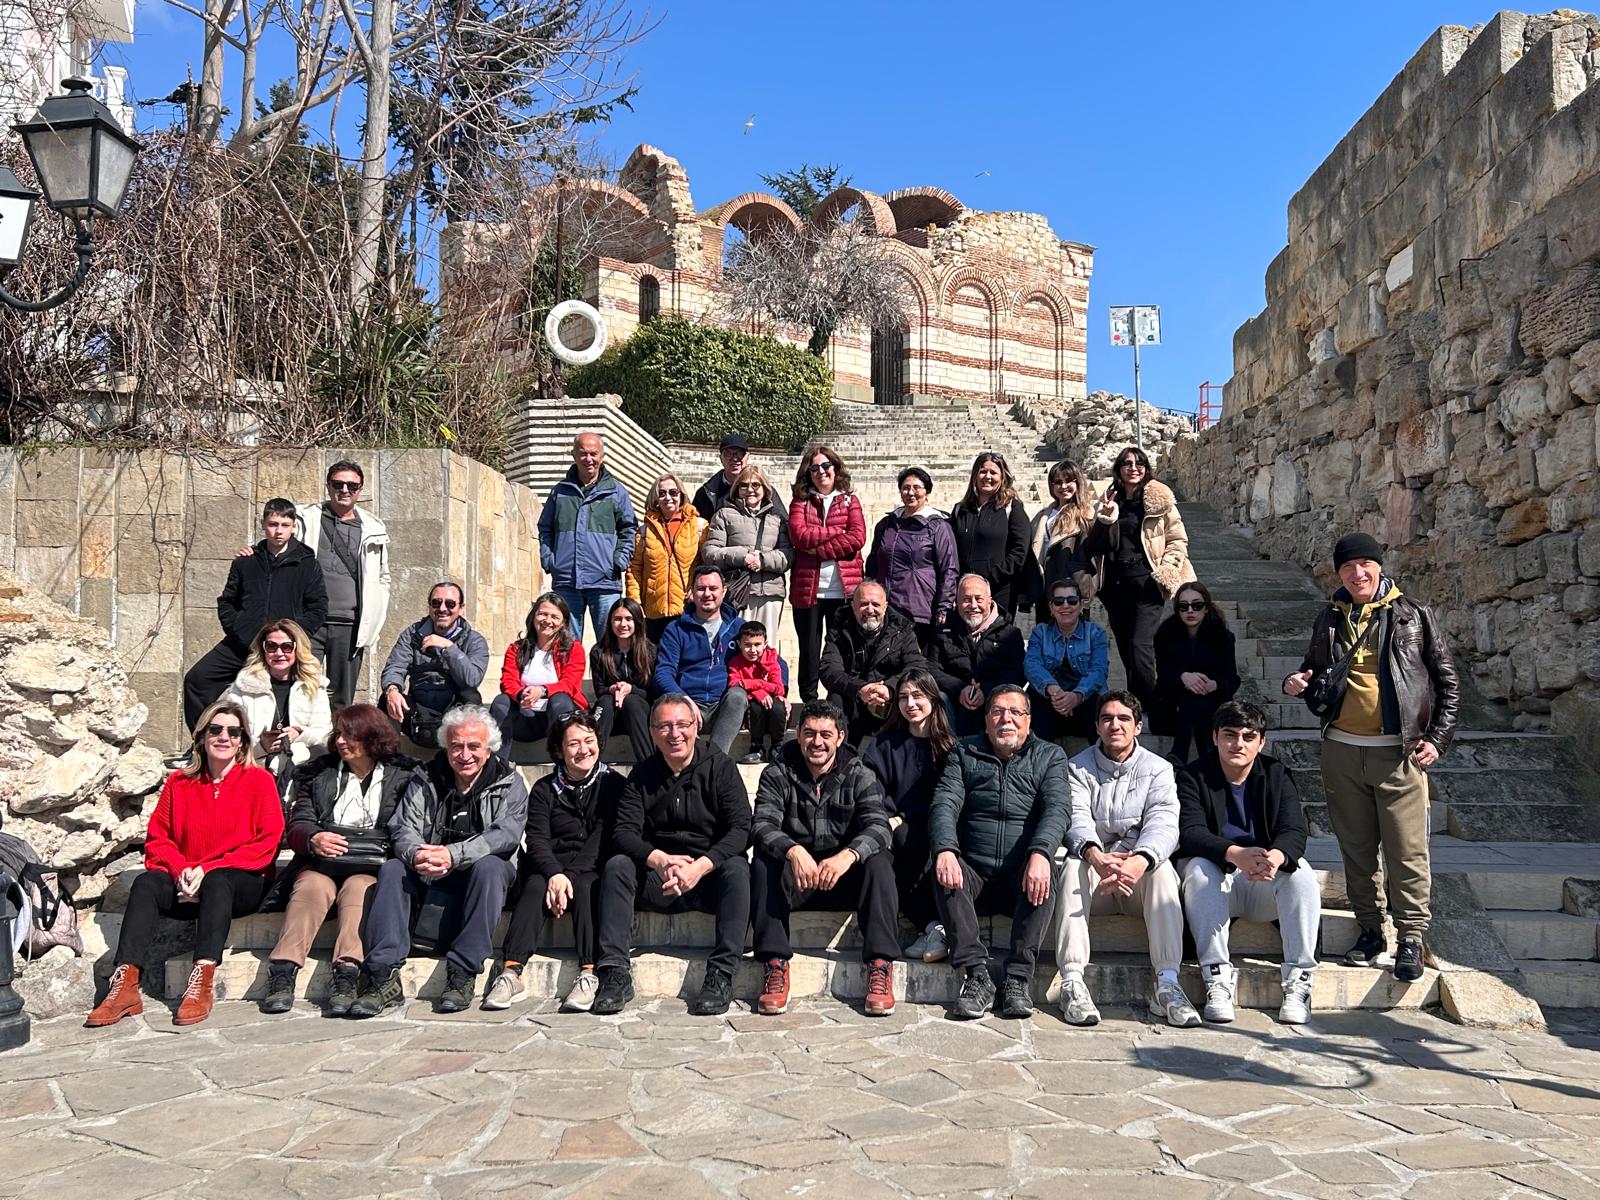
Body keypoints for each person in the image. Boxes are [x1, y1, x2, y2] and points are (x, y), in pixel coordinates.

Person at [1283, 532, 1458, 983]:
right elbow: (1314, 671)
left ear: (1379, 566)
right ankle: (1370, 930)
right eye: (1347, 567)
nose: (1357, 573)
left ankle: (1411, 937)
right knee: (1356, 849)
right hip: (1341, 750)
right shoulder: (1329, 616)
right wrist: (1297, 682)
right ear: (1338, 573)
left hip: (1398, 753)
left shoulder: (1413, 614)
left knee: (1406, 850)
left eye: (1365, 564)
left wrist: (1437, 738)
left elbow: (1446, 681)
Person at [87, 700, 284, 1028]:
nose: (224, 737)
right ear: (202, 737)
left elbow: (268, 843)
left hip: (241, 883)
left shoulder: (259, 781)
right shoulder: (179, 783)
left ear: (243, 742)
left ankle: (201, 980)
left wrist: (206, 871)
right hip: (188, 882)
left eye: (234, 732)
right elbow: (158, 840)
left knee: (219, 880)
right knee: (146, 883)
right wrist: (181, 872)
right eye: (215, 729)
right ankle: (125, 984)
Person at [350, 705, 527, 1017]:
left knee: (490, 867)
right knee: (393, 868)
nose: (465, 755)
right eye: (456, 746)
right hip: (429, 869)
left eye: (474, 746)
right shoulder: (426, 778)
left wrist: (452, 854)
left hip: (482, 876)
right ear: (446, 747)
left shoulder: (508, 781)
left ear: (489, 750)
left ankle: (462, 973)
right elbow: (403, 827)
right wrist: (417, 854)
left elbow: (505, 835)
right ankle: (383, 975)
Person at [593, 695, 752, 1017]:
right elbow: (624, 832)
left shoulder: (721, 767)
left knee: (737, 868)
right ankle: (615, 972)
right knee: (618, 865)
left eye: (682, 724)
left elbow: (741, 829)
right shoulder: (642, 774)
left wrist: (702, 866)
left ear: (696, 726)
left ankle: (721, 974)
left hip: (707, 879)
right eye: (664, 726)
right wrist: (660, 860)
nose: (674, 733)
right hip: (660, 880)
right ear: (652, 732)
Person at [257, 704, 417, 1016]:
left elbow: (407, 826)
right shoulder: (320, 773)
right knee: (311, 887)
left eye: (350, 735)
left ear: (371, 736)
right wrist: (314, 838)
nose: (341, 741)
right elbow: (299, 822)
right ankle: (283, 970)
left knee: (358, 888)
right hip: (323, 863)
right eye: (339, 734)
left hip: (371, 865)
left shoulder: (403, 776)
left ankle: (346, 973)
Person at [928, 685, 1070, 1020]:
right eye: (997, 712)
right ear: (986, 719)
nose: (1006, 719)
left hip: (1021, 874)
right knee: (944, 869)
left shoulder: (1050, 755)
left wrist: (1041, 852)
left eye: (1016, 712)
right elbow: (944, 804)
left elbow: (1058, 810)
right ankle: (976, 975)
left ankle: (1017, 978)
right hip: (974, 871)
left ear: (1029, 720)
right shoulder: (964, 752)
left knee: (1048, 871)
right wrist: (946, 849)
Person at [1057, 691, 1198, 1029]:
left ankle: (1167, 985)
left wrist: (1140, 860)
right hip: (1096, 876)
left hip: (1137, 879)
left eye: (1123, 719)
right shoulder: (1076, 767)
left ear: (1138, 727)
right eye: (1107, 719)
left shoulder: (1159, 769)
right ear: (1096, 726)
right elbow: (1075, 817)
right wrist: (1096, 856)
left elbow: (1165, 822)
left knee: (1163, 872)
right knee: (1072, 866)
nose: (1115, 725)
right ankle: (1072, 981)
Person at [751, 700, 898, 1017]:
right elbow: (761, 824)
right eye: (809, 733)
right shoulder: (777, 771)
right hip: (797, 880)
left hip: (843, 879)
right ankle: (775, 962)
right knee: (764, 860)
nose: (817, 742)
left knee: (879, 860)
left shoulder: (859, 773)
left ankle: (880, 964)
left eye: (825, 734)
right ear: (798, 734)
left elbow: (879, 826)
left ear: (840, 737)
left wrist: (849, 855)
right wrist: (792, 850)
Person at [1177, 701, 1318, 1025]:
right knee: (1198, 869)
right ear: (1215, 737)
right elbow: (1190, 832)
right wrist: (1234, 854)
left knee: (1301, 873)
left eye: (1248, 736)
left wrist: (1275, 858)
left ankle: (1299, 982)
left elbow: (1294, 830)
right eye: (1229, 735)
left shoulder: (1276, 774)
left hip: (1262, 880)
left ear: (1261, 741)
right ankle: (1216, 979)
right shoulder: (1193, 776)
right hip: (1219, 881)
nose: (1238, 744)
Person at [485, 711, 626, 1013]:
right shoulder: (544, 788)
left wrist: (568, 877)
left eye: (589, 741)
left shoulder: (613, 784)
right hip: (550, 868)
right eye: (573, 744)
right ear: (560, 750)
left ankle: (589, 972)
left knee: (587, 886)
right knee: (534, 886)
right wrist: (554, 874)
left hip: (590, 867)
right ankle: (511, 972)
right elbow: (536, 838)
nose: (583, 749)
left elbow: (602, 838)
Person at [183, 497, 328, 731]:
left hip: (283, 648)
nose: (278, 531)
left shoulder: (307, 563)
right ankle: (203, 742)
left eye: (284, 525)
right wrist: (239, 629)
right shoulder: (246, 561)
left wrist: (293, 637)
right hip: (243, 642)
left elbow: (318, 608)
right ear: (263, 524)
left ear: (293, 527)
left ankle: (283, 743)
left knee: (289, 694)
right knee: (197, 680)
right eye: (273, 524)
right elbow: (227, 601)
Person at [1086, 446, 1195, 711]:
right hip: (1114, 585)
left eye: (1139, 463)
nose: (1133, 468)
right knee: (1126, 648)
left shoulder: (1160, 499)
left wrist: (1167, 568)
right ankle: (1138, 706)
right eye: (1127, 463)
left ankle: (1152, 707)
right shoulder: (1109, 498)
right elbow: (1095, 545)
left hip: (1147, 582)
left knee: (1139, 646)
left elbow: (1177, 539)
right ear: (1118, 469)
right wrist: (1104, 517)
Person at [864, 668, 955, 963]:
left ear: (933, 699)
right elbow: (872, 790)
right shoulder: (884, 744)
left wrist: (907, 818)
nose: (910, 703)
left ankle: (935, 926)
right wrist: (892, 818)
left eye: (917, 695)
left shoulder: (950, 748)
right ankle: (933, 927)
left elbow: (950, 797)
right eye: (903, 697)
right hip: (893, 828)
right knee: (890, 846)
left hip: (933, 826)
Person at [295, 460, 391, 710]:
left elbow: (383, 575)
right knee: (301, 692)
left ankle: (338, 736)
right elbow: (278, 543)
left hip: (350, 625)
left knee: (341, 701)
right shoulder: (305, 518)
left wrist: (376, 614)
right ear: (328, 486)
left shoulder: (373, 527)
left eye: (352, 485)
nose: (345, 490)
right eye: (338, 484)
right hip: (310, 622)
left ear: (360, 489)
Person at [537, 431, 639, 642]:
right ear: (574, 455)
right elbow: (545, 528)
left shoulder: (616, 492)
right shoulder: (560, 492)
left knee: (610, 643)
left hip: (604, 581)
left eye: (594, 453)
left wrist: (618, 561)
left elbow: (629, 529)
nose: (588, 459)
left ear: (602, 456)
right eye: (583, 453)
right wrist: (549, 559)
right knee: (566, 644)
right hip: (566, 580)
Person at [788, 445, 866, 702]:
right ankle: (809, 700)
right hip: (808, 589)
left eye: (825, 466)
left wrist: (818, 550)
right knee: (809, 649)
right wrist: (837, 533)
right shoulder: (800, 502)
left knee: (840, 649)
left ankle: (838, 699)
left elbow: (857, 538)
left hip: (843, 590)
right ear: (808, 473)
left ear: (835, 468)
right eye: (814, 468)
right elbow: (799, 536)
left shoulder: (850, 501)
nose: (821, 471)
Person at [224, 619, 332, 795]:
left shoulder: (314, 685)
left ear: (297, 649)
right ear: (263, 649)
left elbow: (324, 734)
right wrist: (261, 746)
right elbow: (230, 733)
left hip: (302, 764)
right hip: (255, 765)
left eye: (287, 647)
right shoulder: (244, 685)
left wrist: (299, 733)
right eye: (271, 646)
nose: (279, 653)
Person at [379, 581, 490, 746]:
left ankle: (465, 754)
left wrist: (449, 648)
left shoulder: (474, 640)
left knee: (472, 698)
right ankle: (389, 756)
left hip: (454, 711)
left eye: (450, 604)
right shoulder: (412, 635)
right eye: (436, 603)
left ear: (461, 608)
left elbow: (472, 679)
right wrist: (392, 690)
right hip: (418, 709)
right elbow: (395, 666)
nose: (442, 608)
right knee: (387, 699)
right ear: (429, 607)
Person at [653, 564, 748, 754]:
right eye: (701, 588)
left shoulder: (739, 627)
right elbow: (663, 673)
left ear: (724, 591)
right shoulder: (676, 629)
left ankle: (714, 758)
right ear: (691, 592)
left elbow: (771, 659)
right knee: (666, 703)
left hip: (723, 706)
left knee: (738, 696)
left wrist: (781, 691)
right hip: (687, 704)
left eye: (713, 588)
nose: (707, 594)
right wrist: (683, 699)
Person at [819, 580, 926, 746]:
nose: (870, 610)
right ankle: (841, 754)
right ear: (853, 606)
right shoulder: (839, 627)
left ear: (885, 606)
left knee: (915, 695)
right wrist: (860, 689)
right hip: (854, 699)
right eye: (863, 604)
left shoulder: (902, 628)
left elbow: (917, 667)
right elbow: (828, 669)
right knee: (836, 697)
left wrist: (890, 688)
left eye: (875, 604)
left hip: (890, 704)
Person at [865, 466, 960, 649]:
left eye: (917, 487)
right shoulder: (886, 524)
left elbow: (949, 569)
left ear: (927, 491)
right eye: (906, 488)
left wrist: (944, 606)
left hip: (920, 609)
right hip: (887, 608)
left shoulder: (938, 526)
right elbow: (873, 564)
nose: (910, 493)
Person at [489, 593, 587, 761]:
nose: (547, 620)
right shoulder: (516, 649)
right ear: (533, 616)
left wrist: (542, 691)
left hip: (559, 717)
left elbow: (570, 684)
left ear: (563, 622)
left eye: (555, 617)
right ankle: (497, 766)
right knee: (501, 701)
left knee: (561, 699)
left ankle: (565, 765)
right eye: (542, 614)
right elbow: (508, 681)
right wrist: (521, 694)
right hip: (526, 717)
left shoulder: (574, 649)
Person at [700, 464, 793, 637]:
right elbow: (710, 552)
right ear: (737, 489)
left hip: (770, 593)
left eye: (755, 485)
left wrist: (762, 560)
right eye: (744, 485)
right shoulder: (724, 515)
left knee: (766, 646)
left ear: (764, 489)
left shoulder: (777, 518)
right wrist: (743, 556)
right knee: (736, 644)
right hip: (739, 592)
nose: (750, 490)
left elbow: (788, 554)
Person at [928, 574, 1025, 737]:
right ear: (956, 602)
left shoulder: (1010, 634)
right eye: (966, 599)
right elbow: (930, 667)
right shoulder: (942, 633)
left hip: (994, 704)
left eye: (979, 599)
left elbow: (1016, 673)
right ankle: (948, 749)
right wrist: (960, 689)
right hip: (952, 702)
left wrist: (986, 692)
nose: (973, 605)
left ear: (990, 601)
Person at [1153, 582, 1240, 763]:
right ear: (1177, 610)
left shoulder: (1223, 637)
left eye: (1197, 605)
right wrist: (1183, 678)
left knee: (1198, 696)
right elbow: (1163, 675)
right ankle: (1207, 757)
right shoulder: (1165, 634)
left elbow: (1232, 679)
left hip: (1211, 704)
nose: (1190, 611)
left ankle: (1179, 752)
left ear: (1206, 608)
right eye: (1183, 606)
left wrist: (1214, 685)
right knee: (1192, 695)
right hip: (1171, 707)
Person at [1024, 578, 1110, 744]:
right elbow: (1031, 665)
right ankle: (1039, 757)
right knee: (1035, 704)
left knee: (1099, 703)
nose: (1065, 606)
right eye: (1059, 601)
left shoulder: (1095, 633)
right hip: (1051, 699)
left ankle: (1102, 757)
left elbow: (1099, 670)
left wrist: (1077, 696)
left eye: (1072, 601)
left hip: (1085, 700)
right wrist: (1054, 690)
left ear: (1081, 605)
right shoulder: (1040, 633)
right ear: (1051, 607)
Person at [628, 472, 709, 645]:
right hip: (654, 612)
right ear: (655, 498)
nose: (668, 497)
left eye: (673, 492)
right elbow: (634, 570)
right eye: (662, 493)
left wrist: (697, 587)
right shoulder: (644, 531)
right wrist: (634, 602)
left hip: (687, 608)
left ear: (681, 495)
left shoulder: (699, 527)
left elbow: (706, 564)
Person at [949, 452, 1029, 618]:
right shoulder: (960, 510)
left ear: (1002, 477)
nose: (987, 476)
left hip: (999, 591)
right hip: (965, 592)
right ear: (975, 475)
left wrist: (990, 578)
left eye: (993, 472)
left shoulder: (1012, 508)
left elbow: (1019, 551)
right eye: (983, 471)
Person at [1028, 459, 1097, 624]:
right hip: (1045, 588)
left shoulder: (1086, 514)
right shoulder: (1043, 515)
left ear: (1078, 483)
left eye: (1068, 481)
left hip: (1071, 592)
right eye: (1058, 482)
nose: (1063, 486)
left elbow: (1097, 547)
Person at [590, 597, 655, 761]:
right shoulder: (599, 652)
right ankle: (590, 762)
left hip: (639, 716)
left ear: (637, 621)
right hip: (610, 715)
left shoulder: (650, 651)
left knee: (632, 701)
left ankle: (649, 765)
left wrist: (631, 689)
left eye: (628, 619)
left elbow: (652, 692)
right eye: (617, 619)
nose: (623, 624)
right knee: (605, 701)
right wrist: (613, 689)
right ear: (610, 622)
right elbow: (600, 690)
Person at [728, 621, 790, 764]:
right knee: (755, 706)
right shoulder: (736, 662)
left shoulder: (772, 660)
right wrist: (758, 693)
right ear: (739, 644)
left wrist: (755, 686)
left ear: (765, 644)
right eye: (747, 645)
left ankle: (777, 746)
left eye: (757, 644)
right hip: (754, 710)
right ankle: (757, 747)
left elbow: (779, 688)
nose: (753, 650)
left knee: (779, 706)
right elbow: (734, 684)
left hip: (773, 707)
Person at [692, 433, 752, 520]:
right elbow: (693, 523)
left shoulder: (760, 490)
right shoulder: (705, 493)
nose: (735, 459)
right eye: (728, 454)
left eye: (740, 454)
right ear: (721, 458)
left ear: (747, 457)